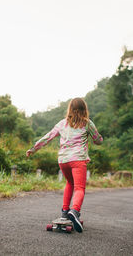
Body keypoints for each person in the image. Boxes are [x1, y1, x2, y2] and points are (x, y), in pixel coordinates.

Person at [26, 97, 103, 232]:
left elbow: (48, 136)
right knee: (79, 188)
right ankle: (75, 212)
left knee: (70, 183)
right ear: (84, 109)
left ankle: (65, 212)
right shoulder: (87, 123)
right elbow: (98, 140)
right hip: (78, 160)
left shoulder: (62, 123)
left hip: (63, 161)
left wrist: (33, 149)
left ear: (70, 109)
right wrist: (98, 138)